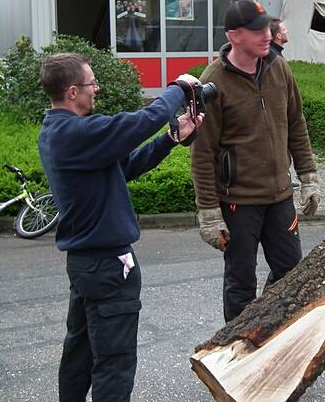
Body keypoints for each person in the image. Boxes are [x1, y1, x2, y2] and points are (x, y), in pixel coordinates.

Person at [37, 53, 202, 401]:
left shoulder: (60, 133)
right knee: (114, 362)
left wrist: (171, 138)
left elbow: (125, 166)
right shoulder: (75, 132)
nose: (95, 89)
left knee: (79, 354)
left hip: (88, 265)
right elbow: (142, 121)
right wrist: (179, 87)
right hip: (108, 266)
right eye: (90, 84)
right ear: (71, 92)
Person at [191, 0, 320, 322]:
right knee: (240, 282)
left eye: (267, 27)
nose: (267, 35)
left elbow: (296, 124)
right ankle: (234, 352)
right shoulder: (213, 82)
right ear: (234, 36)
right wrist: (208, 213)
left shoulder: (279, 68)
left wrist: (308, 176)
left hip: (279, 196)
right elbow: (202, 152)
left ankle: (266, 331)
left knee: (291, 273)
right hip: (238, 203)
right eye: (257, 30)